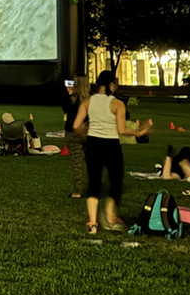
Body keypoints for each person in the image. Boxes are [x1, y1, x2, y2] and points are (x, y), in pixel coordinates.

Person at [72, 69, 152, 235]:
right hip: (111, 146)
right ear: (111, 85)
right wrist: (139, 132)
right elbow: (122, 130)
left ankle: (93, 224)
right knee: (116, 181)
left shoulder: (88, 101)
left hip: (93, 145)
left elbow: (75, 126)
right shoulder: (117, 104)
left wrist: (87, 134)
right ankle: (109, 218)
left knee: (94, 183)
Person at [62, 77, 89, 197]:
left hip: (73, 133)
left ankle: (77, 191)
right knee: (92, 163)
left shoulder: (72, 99)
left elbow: (65, 109)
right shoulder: (90, 99)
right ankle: (94, 189)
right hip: (88, 132)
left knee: (77, 163)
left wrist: (70, 93)